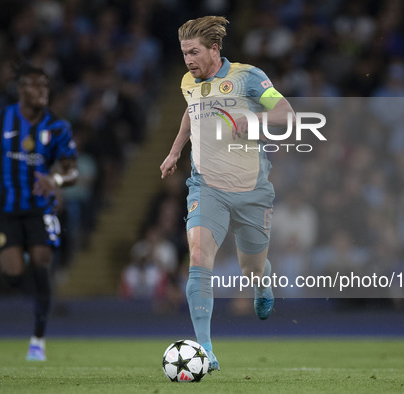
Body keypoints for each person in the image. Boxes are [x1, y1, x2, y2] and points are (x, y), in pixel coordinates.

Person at [160, 16, 293, 372]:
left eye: (194, 52)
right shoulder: (189, 81)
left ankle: (262, 282)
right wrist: (175, 152)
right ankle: (204, 349)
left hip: (251, 189)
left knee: (251, 268)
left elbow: (286, 113)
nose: (188, 60)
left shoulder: (249, 77)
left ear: (215, 49)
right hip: (206, 187)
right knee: (200, 255)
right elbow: (192, 113)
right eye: (184, 52)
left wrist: (257, 123)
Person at [0, 64, 78, 361]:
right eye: (35, 85)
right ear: (21, 89)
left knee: (42, 261)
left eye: (45, 86)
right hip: (5, 207)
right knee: (13, 275)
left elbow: (72, 172)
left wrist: (54, 180)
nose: (42, 91)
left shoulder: (57, 127)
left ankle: (38, 340)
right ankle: (20, 256)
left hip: (40, 208)